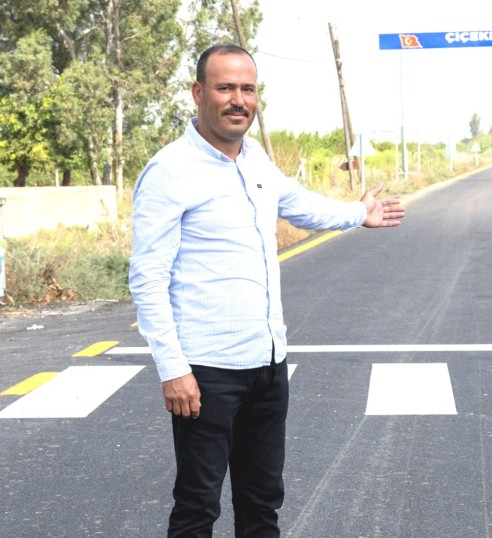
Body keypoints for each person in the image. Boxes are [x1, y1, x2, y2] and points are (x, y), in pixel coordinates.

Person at [128, 44, 405, 537]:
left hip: (268, 365)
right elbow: (147, 278)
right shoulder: (170, 171)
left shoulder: (255, 159)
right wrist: (173, 369)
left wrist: (356, 213)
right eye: (225, 87)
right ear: (198, 93)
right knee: (197, 508)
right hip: (206, 372)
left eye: (248, 89)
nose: (239, 100)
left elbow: (301, 205)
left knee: (262, 505)